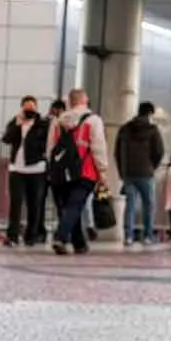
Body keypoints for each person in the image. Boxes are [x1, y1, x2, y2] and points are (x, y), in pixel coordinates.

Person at [47, 89, 114, 255]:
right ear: (85, 100)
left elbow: (50, 147)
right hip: (85, 171)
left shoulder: (58, 121)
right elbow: (98, 147)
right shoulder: (93, 120)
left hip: (61, 171)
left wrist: (52, 168)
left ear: (70, 102)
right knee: (75, 205)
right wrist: (103, 172)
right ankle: (61, 237)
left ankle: (79, 244)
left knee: (71, 206)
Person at [115, 101, 166, 247]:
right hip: (145, 173)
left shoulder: (124, 129)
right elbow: (159, 151)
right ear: (150, 113)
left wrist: (122, 172)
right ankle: (148, 236)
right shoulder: (152, 130)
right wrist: (151, 167)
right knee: (148, 204)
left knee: (129, 205)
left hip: (128, 173)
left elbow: (117, 153)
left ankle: (128, 236)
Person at [1, 95, 50, 247]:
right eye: (26, 108)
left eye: (32, 108)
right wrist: (18, 124)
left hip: (36, 169)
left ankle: (31, 236)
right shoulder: (15, 122)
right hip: (17, 168)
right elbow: (6, 139)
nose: (29, 111)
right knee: (15, 203)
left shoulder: (43, 125)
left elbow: (47, 143)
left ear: (36, 108)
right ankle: (12, 236)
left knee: (34, 203)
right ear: (22, 108)